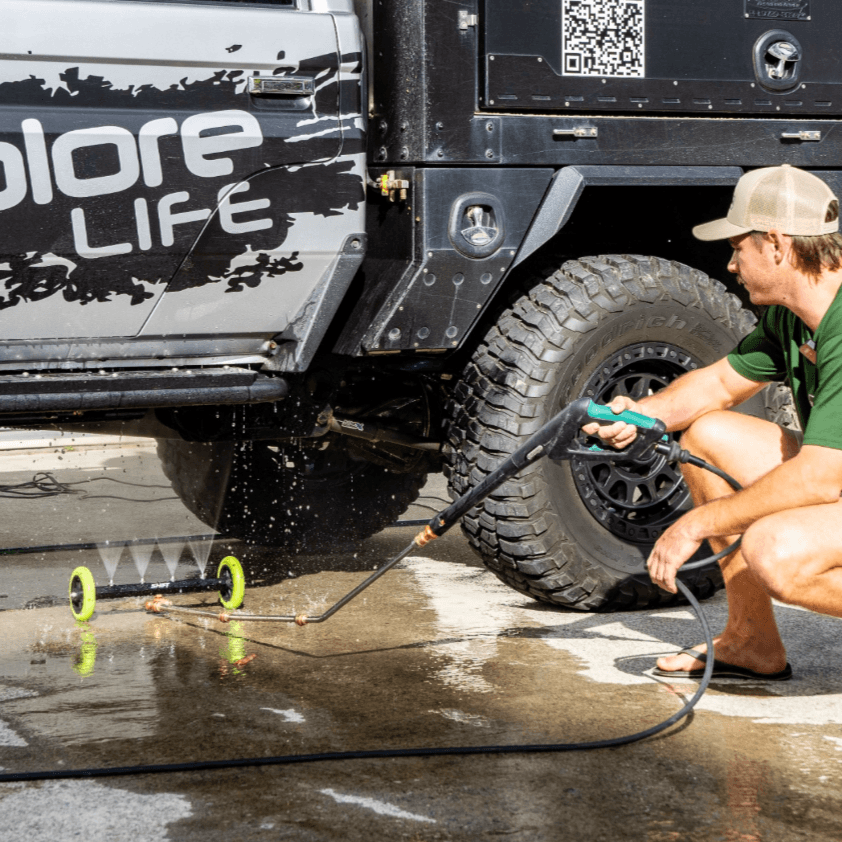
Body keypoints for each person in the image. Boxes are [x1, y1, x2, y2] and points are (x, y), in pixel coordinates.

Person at [583, 164, 842, 681]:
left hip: (833, 471)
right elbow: (717, 387)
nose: (729, 264)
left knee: (774, 549)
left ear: (776, 244)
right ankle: (750, 641)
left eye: (737, 247)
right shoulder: (793, 317)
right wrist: (641, 415)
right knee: (706, 434)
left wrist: (695, 524)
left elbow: (822, 475)